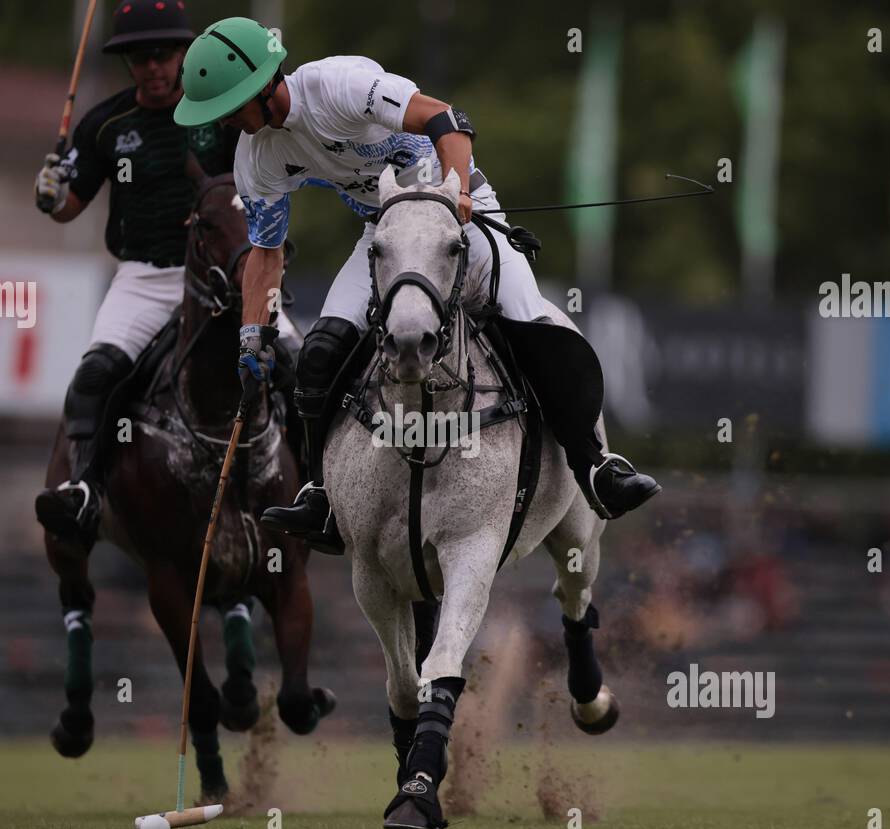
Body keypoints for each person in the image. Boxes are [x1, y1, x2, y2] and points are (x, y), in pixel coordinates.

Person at [174, 17, 660, 555]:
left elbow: (448, 119)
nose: (223, 123)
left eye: (229, 108)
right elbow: (265, 255)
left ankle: (594, 467)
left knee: (531, 320)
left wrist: (454, 194)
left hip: (458, 211)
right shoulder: (255, 155)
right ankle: (322, 493)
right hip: (385, 231)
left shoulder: (339, 86)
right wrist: (251, 337)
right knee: (320, 352)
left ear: (263, 86)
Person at [32, 0, 242, 548]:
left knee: (291, 364)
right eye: (138, 58)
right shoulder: (106, 125)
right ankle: (84, 490)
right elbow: (69, 206)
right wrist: (50, 194)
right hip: (144, 277)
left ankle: (313, 488)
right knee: (94, 377)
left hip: (222, 276)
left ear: (184, 54)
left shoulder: (219, 114)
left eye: (163, 55)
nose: (152, 67)